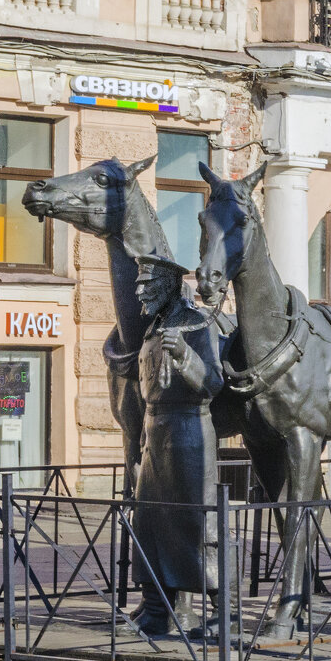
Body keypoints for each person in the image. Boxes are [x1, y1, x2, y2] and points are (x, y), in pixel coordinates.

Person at [122, 255, 226, 637]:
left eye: (147, 284)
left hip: (188, 430)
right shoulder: (153, 328)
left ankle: (223, 610)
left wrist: (184, 355)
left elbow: (213, 384)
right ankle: (159, 609)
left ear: (168, 284)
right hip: (155, 431)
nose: (140, 291)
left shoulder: (197, 323)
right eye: (139, 283)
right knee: (149, 520)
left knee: (196, 522)